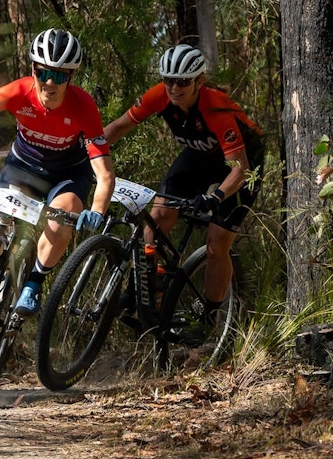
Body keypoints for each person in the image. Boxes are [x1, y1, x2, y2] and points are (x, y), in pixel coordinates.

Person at [0, 29, 115, 370]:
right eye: (43, 72)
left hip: (67, 175)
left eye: (59, 75)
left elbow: (104, 174)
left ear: (71, 77)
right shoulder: (18, 91)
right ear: (33, 70)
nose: (50, 82)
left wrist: (97, 211)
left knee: (64, 215)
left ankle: (34, 282)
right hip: (22, 169)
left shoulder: (84, 106)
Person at [104, 44, 264, 343]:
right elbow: (118, 126)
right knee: (158, 216)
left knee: (217, 242)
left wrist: (216, 196)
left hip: (241, 162)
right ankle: (142, 291)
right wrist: (89, 153)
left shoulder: (216, 107)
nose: (174, 88)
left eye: (182, 81)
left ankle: (208, 314)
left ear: (198, 82)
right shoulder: (159, 95)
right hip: (199, 155)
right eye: (168, 80)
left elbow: (240, 168)